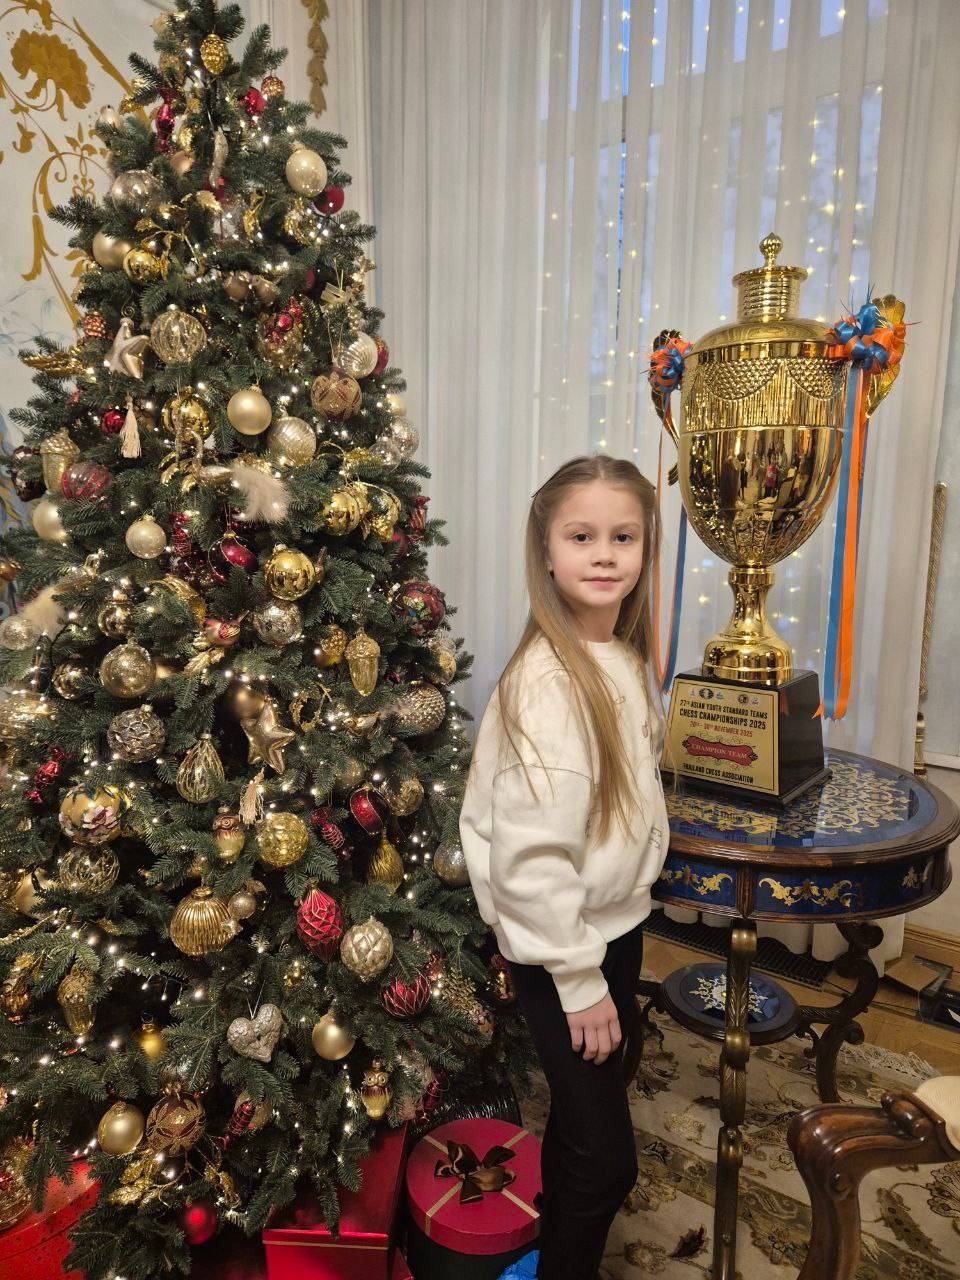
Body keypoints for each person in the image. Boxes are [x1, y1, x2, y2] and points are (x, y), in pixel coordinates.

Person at [459, 453, 671, 1280]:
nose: (605, 554)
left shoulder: (621, 658)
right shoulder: (548, 684)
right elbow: (531, 858)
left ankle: (547, 1250)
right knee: (608, 1162)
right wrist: (579, 981)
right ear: (546, 551)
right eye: (581, 537)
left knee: (584, 1128)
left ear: (647, 549)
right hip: (560, 947)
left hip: (612, 929)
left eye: (624, 537)